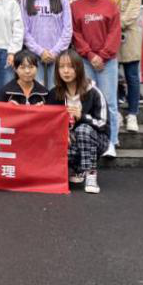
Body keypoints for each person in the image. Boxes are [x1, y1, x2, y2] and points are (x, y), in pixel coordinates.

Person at [71, 0, 122, 157]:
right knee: (87, 101)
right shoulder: (75, 6)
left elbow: (115, 32)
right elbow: (75, 33)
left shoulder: (110, 5)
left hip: (107, 61)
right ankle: (90, 139)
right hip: (85, 61)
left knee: (109, 101)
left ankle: (111, 141)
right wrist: (90, 55)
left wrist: (103, 55)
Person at [47, 49, 109, 193]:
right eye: (61, 67)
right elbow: (49, 123)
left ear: (79, 68)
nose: (66, 71)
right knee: (57, 144)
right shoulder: (54, 94)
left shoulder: (93, 92)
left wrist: (82, 117)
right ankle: (78, 168)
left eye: (71, 66)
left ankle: (91, 174)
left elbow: (103, 124)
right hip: (69, 140)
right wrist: (63, 134)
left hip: (97, 140)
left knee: (83, 130)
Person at [100, 0, 143, 134]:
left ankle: (133, 113)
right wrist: (111, 25)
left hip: (130, 29)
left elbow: (135, 5)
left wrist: (120, 23)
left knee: (132, 73)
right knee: (112, 73)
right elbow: (99, 2)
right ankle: (116, 112)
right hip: (106, 31)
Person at [20, 0, 72, 89]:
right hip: (34, 56)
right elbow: (24, 30)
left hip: (58, 55)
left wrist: (55, 51)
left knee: (57, 91)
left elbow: (67, 28)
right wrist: (40, 51)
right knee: (37, 91)